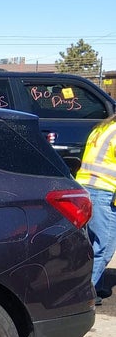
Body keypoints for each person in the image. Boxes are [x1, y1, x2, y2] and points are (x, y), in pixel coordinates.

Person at [75, 114, 116, 306]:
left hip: (86, 189)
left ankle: (92, 285)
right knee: (104, 246)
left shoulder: (103, 127)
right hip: (104, 192)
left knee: (90, 244)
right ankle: (85, 295)